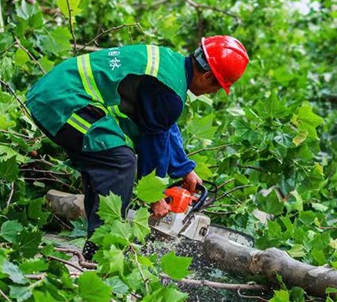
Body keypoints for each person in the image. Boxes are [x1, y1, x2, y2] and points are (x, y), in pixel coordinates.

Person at [27, 36, 249, 260]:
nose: (215, 93)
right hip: (60, 101)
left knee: (108, 159)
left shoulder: (172, 68)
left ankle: (97, 244)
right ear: (208, 76)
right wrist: (154, 196)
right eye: (218, 87)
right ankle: (100, 255)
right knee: (119, 163)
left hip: (59, 90)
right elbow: (152, 142)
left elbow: (163, 125)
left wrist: (184, 169)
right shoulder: (170, 90)